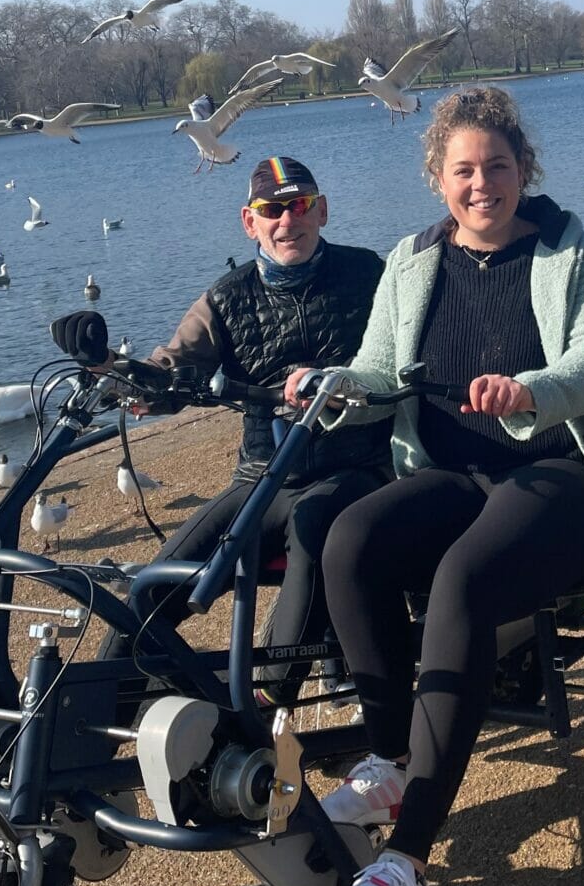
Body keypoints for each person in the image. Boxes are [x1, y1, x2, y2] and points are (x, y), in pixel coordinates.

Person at [285, 87, 584, 886]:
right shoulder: (413, 259)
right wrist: (332, 385)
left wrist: (531, 390)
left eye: (498, 167)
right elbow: (376, 367)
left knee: (463, 581)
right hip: (453, 471)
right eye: (464, 170)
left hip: (565, 472)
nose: (483, 185)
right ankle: (393, 760)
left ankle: (405, 868)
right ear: (439, 177)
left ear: (525, 170)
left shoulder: (572, 252)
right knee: (348, 538)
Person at [106, 155, 389, 696]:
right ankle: (91, 724)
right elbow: (166, 372)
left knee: (314, 529)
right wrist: (106, 368)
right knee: (151, 590)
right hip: (261, 477)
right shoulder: (224, 298)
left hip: (355, 468)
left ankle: (264, 700)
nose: (288, 221)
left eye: (300, 205)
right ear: (249, 221)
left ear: (322, 211)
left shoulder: (369, 274)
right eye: (272, 209)